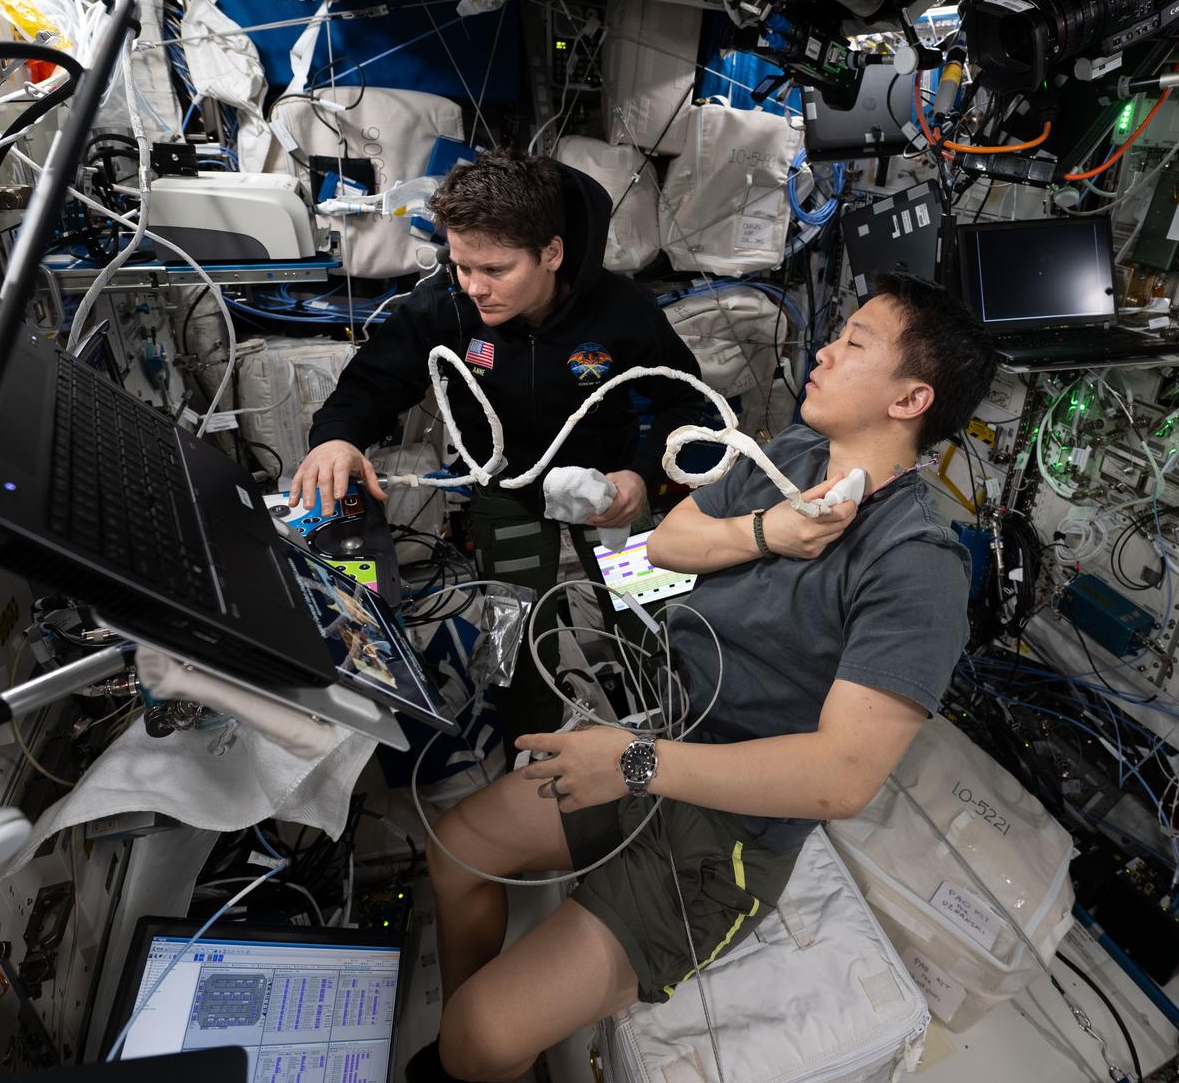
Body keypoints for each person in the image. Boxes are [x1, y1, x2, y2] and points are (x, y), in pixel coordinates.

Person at [407, 273, 998, 1083]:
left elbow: (842, 778)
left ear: (910, 399)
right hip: (662, 735)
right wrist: (766, 532)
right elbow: (666, 544)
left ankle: (474, 1050)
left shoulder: (916, 566)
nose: (824, 352)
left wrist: (632, 763)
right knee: (457, 852)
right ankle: (477, 1048)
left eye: (854, 342)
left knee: (477, 1036)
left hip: (729, 835)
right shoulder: (791, 455)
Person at [290, 149, 706, 742]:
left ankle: (682, 740)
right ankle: (531, 756)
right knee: (517, 640)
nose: (474, 287)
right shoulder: (445, 306)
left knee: (654, 624)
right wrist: (336, 439)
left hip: (611, 491)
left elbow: (690, 406)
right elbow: (370, 384)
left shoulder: (621, 311)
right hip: (506, 494)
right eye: (461, 265)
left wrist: (642, 476)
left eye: (494, 269)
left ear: (551, 254)